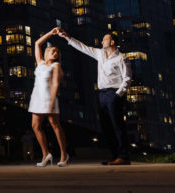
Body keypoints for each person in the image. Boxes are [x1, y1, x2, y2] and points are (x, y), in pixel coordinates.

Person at [57, 30, 132, 165]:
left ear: (112, 42)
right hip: (102, 94)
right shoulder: (100, 54)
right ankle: (115, 156)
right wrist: (67, 37)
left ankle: (124, 156)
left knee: (117, 125)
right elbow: (83, 47)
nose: (102, 41)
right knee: (106, 127)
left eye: (105, 39)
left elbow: (127, 79)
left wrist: (117, 95)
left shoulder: (121, 58)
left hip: (114, 93)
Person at [28, 28, 69, 167]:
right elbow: (37, 44)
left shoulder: (56, 65)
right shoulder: (39, 62)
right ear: (47, 53)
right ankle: (46, 154)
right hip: (37, 98)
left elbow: (56, 83)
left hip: (49, 98)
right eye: (53, 51)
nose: (56, 53)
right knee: (35, 126)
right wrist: (50, 33)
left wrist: (52, 101)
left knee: (55, 125)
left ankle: (64, 155)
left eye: (57, 52)